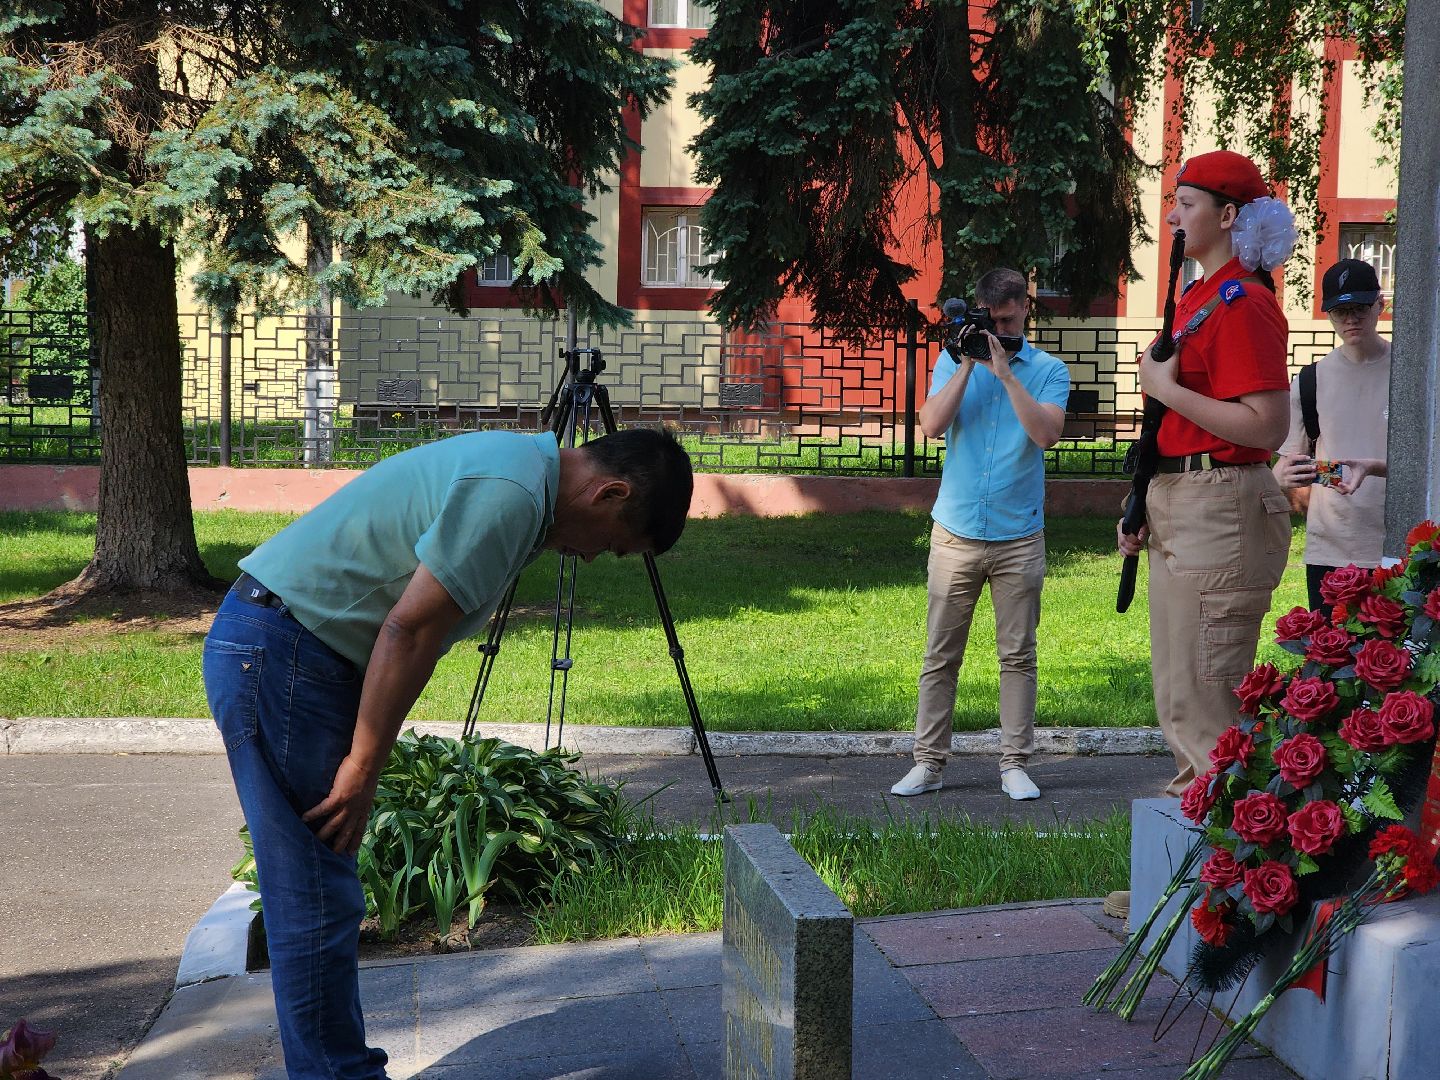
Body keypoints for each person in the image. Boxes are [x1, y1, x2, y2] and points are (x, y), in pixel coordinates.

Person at [202, 427, 693, 1079]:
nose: (595, 556)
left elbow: (411, 631)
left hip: (291, 648)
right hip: (287, 653)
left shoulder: (520, 473)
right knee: (315, 893)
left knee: (321, 889)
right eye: (614, 543)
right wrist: (363, 767)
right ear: (610, 492)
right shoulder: (512, 494)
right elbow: (410, 629)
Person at [1116, 149, 1295, 800]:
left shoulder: (1242, 302)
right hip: (1184, 501)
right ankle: (1193, 877)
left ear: (1227, 215)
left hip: (1218, 509)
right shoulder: (1200, 296)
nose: (1172, 217)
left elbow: (1267, 426)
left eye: (1186, 204)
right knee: (1183, 702)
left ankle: (1217, 888)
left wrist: (1165, 387)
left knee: (1210, 712)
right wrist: (1144, 501)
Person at [891, 268, 1072, 801]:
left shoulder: (1048, 370)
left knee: (1017, 655)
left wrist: (1007, 372)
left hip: (1019, 535)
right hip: (956, 532)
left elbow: (1046, 434)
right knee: (940, 654)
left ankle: (1014, 763)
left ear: (1024, 310)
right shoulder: (953, 361)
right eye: (991, 322)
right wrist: (969, 364)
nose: (1000, 329)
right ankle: (928, 764)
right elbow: (929, 425)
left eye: (1009, 321)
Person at [1272, 258, 1390, 613]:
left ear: (1380, 305)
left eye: (1360, 308)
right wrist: (1285, 476)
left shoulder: (1414, 373)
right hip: (1331, 548)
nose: (1351, 319)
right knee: (1332, 663)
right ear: (1328, 315)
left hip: (1401, 544)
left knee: (1402, 665)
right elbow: (1286, 470)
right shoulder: (1310, 381)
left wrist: (1372, 468)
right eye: (1340, 311)